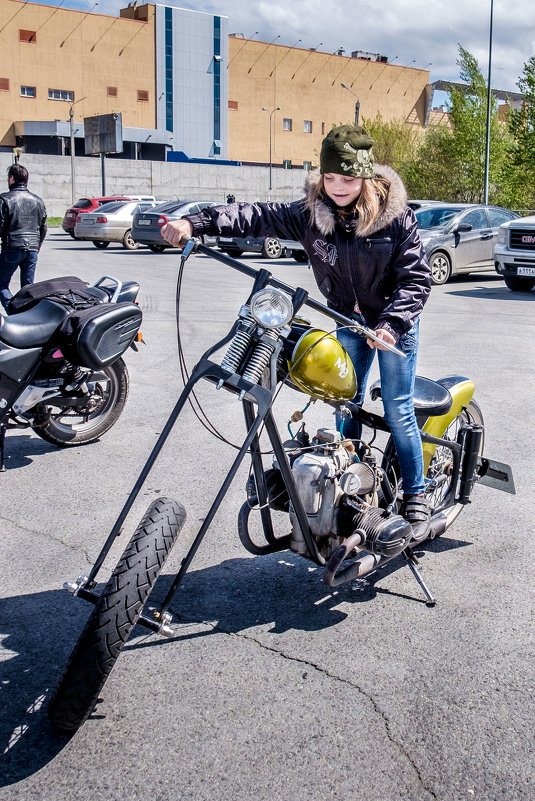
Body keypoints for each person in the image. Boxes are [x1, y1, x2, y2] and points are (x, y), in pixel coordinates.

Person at [161, 124, 432, 539]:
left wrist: (392, 325)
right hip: (349, 323)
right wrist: (195, 223)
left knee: (397, 410)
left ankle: (416, 493)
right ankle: (353, 484)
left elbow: (416, 279)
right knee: (346, 403)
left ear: (365, 176)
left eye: (347, 178)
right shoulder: (311, 214)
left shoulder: (396, 219)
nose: (338, 187)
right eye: (330, 177)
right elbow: (255, 215)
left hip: (392, 326)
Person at [0, 163, 47, 313]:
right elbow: (43, 227)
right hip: (32, 248)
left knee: (1, 284)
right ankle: (27, 315)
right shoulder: (38, 200)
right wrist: (36, 246)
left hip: (12, 247)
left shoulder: (5, 199)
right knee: (28, 288)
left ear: (12, 179)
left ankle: (14, 312)